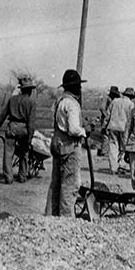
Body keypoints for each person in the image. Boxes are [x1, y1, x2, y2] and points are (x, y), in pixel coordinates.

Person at [46, 69, 88, 218]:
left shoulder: (59, 102)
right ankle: (66, 220)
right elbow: (73, 129)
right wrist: (84, 132)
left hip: (57, 144)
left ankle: (52, 216)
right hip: (70, 146)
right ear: (75, 86)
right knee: (70, 185)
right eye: (79, 86)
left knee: (56, 184)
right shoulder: (72, 104)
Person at [0, 75, 37, 184]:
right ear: (30, 90)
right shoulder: (31, 103)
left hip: (12, 127)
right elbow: (31, 122)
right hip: (24, 129)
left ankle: (8, 177)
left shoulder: (12, 99)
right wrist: (30, 136)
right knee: (24, 153)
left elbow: (2, 116)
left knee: (8, 153)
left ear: (21, 89)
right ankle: (22, 176)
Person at [103, 86, 134, 174]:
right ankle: (121, 165)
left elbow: (107, 115)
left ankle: (113, 167)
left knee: (113, 146)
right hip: (124, 127)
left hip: (113, 126)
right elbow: (131, 118)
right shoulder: (130, 104)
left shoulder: (115, 101)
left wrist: (104, 126)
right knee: (123, 147)